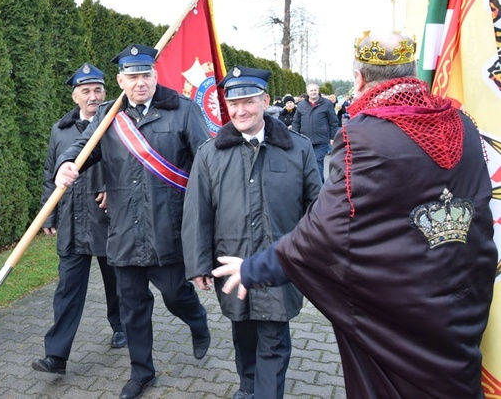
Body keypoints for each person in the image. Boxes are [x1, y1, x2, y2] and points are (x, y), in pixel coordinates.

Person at [212, 30, 497, 398]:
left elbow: (324, 231)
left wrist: (255, 268)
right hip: (465, 296)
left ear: (359, 78)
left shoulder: (364, 136)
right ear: (412, 72)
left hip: (400, 314)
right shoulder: (465, 124)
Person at [55, 44, 211, 399]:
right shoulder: (108, 117)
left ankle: (197, 320)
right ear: (121, 79)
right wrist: (67, 162)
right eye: (133, 77)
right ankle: (142, 372)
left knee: (175, 294)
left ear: (155, 76)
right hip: (123, 229)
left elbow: (206, 160)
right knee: (133, 307)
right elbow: (81, 147)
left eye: (146, 75)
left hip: (168, 227)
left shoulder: (182, 111)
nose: (140, 83)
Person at [182, 67, 321, 399]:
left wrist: (314, 258)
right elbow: (197, 213)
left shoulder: (297, 149)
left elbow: (317, 209)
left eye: (249, 101)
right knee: (242, 330)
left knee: (273, 339)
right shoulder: (210, 153)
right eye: (234, 103)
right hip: (231, 263)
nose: (241, 111)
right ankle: (248, 388)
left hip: (280, 262)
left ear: (265, 100)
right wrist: (198, 264)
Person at [32, 63, 125, 376]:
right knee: (67, 290)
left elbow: (130, 166)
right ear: (75, 96)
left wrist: (115, 190)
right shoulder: (61, 129)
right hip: (72, 223)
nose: (93, 95)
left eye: (98, 89)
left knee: (117, 283)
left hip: (107, 219)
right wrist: (49, 212)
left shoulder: (116, 123)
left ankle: (121, 326)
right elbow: (51, 173)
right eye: (86, 91)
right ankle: (56, 356)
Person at [292, 83, 339, 182]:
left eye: (315, 90)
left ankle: (319, 188)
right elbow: (296, 122)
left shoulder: (327, 104)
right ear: (307, 92)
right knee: (305, 164)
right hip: (304, 140)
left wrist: (332, 137)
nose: (313, 92)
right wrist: (295, 136)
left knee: (318, 163)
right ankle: (309, 187)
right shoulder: (301, 105)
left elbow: (333, 122)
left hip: (321, 141)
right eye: (311, 90)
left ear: (318, 91)